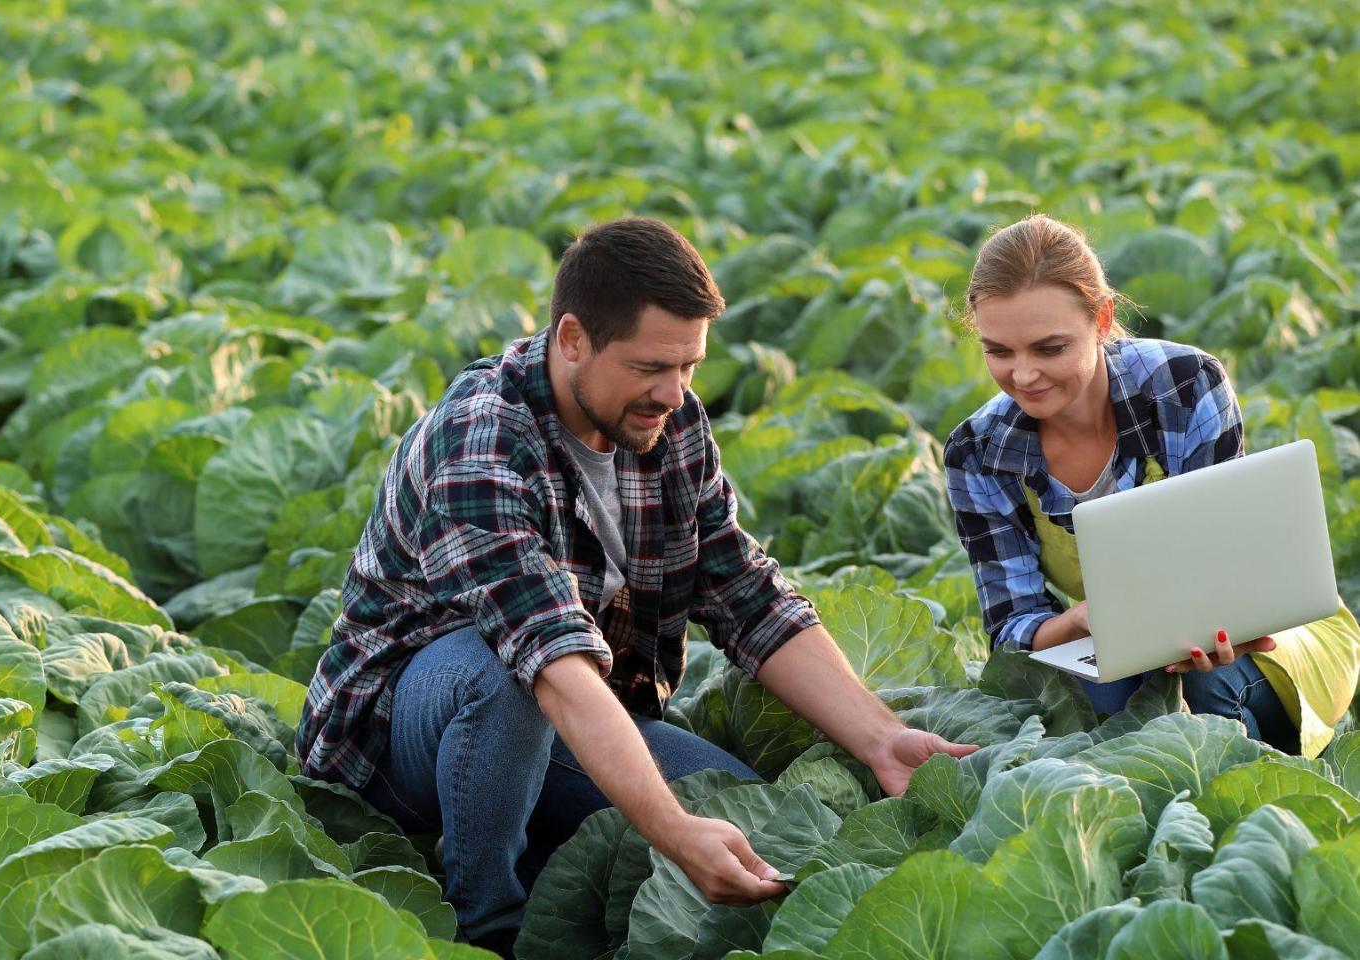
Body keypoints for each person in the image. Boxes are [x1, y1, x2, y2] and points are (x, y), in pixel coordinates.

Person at [296, 217, 977, 955]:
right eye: (651, 366)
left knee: (753, 825)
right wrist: (673, 831)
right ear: (572, 340)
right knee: (504, 674)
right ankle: (484, 923)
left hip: (568, 717)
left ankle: (535, 845)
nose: (674, 393)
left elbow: (744, 590)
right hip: (407, 739)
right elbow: (551, 661)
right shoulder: (480, 442)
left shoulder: (668, 423)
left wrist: (880, 737)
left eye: (689, 366)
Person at [944, 214, 1359, 757]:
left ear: (1102, 319)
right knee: (1105, 692)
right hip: (1117, 646)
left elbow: (1231, 567)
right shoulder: (977, 451)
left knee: (1203, 683)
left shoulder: (1186, 385)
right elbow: (1011, 626)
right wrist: (1077, 620)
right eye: (999, 351)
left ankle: (1267, 803)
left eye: (1049, 349)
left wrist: (1217, 620)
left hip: (1270, 633)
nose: (1023, 375)